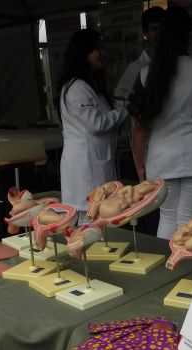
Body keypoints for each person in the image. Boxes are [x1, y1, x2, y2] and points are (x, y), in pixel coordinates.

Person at [129, 6, 192, 239]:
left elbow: (140, 127)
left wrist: (140, 166)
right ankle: (185, 261)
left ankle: (167, 260)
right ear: (188, 35)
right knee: (188, 219)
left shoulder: (145, 74)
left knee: (167, 217)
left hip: (161, 159)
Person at [57, 29, 129, 222]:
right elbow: (97, 123)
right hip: (85, 168)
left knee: (98, 217)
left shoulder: (89, 86)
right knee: (89, 221)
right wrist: (126, 110)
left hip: (94, 164)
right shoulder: (77, 87)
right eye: (97, 49)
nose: (102, 53)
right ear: (83, 53)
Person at [113, 6, 165, 103]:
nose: (160, 33)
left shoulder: (173, 62)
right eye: (154, 29)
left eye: (163, 28)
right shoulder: (135, 68)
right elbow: (119, 100)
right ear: (145, 33)